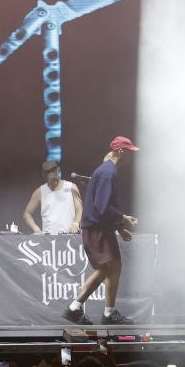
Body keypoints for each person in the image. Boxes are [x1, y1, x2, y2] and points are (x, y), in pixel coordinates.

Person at [64, 137, 140, 326]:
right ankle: (105, 313)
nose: (132, 156)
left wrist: (120, 228)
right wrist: (123, 219)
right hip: (97, 228)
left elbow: (102, 207)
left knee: (108, 268)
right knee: (111, 267)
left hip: (98, 227)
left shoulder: (106, 171)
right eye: (130, 151)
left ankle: (76, 308)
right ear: (121, 152)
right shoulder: (108, 173)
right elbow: (102, 207)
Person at [23, 161, 82, 236]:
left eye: (55, 179)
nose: (54, 182)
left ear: (58, 173)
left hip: (69, 235)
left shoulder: (71, 187)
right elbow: (27, 214)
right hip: (49, 238)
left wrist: (76, 223)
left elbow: (79, 208)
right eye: (51, 179)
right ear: (45, 177)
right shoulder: (39, 192)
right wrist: (36, 229)